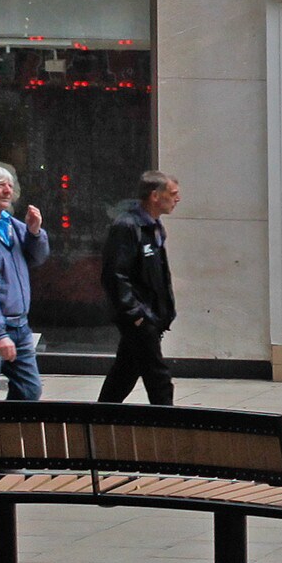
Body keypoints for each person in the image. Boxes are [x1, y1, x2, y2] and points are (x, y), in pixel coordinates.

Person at [0, 164, 48, 401]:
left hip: (20, 326)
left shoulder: (11, 225)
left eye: (10, 186)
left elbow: (38, 257)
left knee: (30, 390)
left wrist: (35, 233)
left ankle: (11, 437)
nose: (7, 191)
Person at [100, 169, 180, 404]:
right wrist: (136, 315)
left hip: (151, 315)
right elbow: (115, 275)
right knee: (158, 377)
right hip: (139, 317)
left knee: (124, 373)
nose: (177, 199)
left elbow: (159, 275)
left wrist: (164, 312)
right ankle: (168, 427)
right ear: (155, 196)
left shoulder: (153, 226)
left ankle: (98, 420)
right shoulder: (127, 226)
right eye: (173, 193)